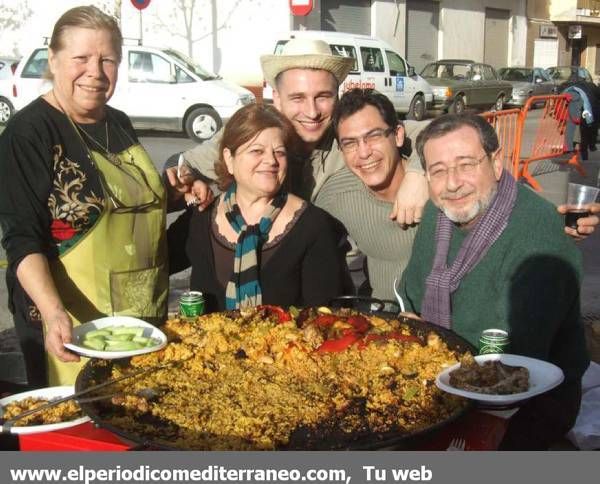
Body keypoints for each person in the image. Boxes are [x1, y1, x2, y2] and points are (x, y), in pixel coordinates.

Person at [399, 113, 590, 449]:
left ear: (496, 164)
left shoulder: (536, 230)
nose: (453, 183)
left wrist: (427, 343)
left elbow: (516, 354)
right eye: (438, 170)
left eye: (466, 164)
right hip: (445, 375)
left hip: (527, 401)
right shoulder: (436, 214)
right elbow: (412, 296)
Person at [0, 6, 168, 387]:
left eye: (107, 59)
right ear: (54, 61)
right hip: (72, 325)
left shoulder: (119, 122)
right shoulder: (28, 134)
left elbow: (130, 207)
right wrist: (52, 311)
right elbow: (20, 237)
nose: (95, 71)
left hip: (139, 320)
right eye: (81, 58)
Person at [166, 38, 430, 226]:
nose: (312, 111)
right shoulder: (253, 134)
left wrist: (417, 175)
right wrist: (191, 179)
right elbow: (183, 165)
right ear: (277, 99)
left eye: (323, 96)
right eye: (297, 98)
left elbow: (432, 132)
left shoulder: (349, 136)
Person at [167, 103, 344, 311]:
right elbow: (150, 263)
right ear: (229, 158)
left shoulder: (314, 227)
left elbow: (327, 320)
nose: (271, 160)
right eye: (257, 151)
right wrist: (175, 191)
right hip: (205, 343)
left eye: (279, 152)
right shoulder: (200, 217)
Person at [314, 88, 424, 300]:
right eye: (350, 143)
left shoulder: (437, 180)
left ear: (398, 135)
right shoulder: (337, 196)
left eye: (373, 136)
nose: (364, 153)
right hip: (384, 321)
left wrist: (421, 172)